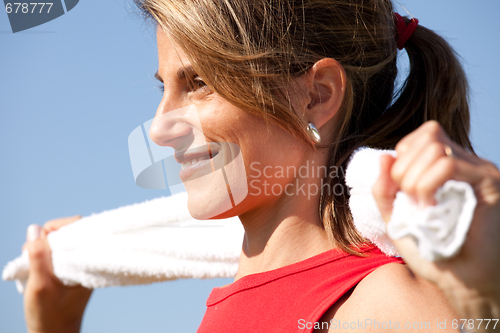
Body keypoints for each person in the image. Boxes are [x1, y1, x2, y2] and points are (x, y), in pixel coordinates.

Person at [22, 0, 500, 332]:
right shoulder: (246, 294)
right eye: (163, 87)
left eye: (200, 83)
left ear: (317, 95)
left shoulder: (379, 305)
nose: (158, 127)